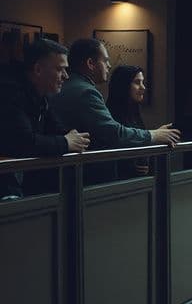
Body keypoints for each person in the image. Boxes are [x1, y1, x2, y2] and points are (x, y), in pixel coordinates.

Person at [51, 38, 180, 156]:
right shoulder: (86, 92)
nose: (109, 66)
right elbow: (113, 134)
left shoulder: (71, 86)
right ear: (90, 63)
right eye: (106, 61)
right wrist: (154, 135)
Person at [0, 38, 88, 198]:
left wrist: (72, 138)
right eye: (60, 69)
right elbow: (24, 143)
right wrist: (66, 142)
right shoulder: (9, 94)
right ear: (38, 69)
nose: (66, 76)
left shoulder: (40, 96)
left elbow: (57, 130)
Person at [107, 65, 151, 177]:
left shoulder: (134, 112)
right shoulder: (111, 114)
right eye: (137, 82)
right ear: (124, 85)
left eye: (142, 82)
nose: (143, 87)